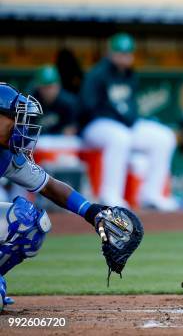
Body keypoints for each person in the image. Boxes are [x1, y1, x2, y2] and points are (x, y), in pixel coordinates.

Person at [0, 82, 142, 312]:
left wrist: (90, 211)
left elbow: (48, 185)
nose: (19, 125)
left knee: (30, 222)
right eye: (13, 117)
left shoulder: (5, 155)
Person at [80, 33, 178, 211]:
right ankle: (110, 195)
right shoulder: (97, 74)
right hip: (96, 126)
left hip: (123, 126)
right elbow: (88, 107)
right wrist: (118, 116)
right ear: (111, 53)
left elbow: (131, 108)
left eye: (128, 53)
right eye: (121, 53)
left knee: (164, 137)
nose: (125, 57)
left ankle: (152, 195)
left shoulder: (130, 75)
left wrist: (127, 118)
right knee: (120, 137)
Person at [31, 65, 78, 136]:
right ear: (38, 87)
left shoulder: (69, 102)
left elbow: (71, 130)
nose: (49, 91)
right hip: (39, 140)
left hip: (61, 141)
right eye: (45, 87)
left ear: (58, 85)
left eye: (51, 86)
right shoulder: (32, 103)